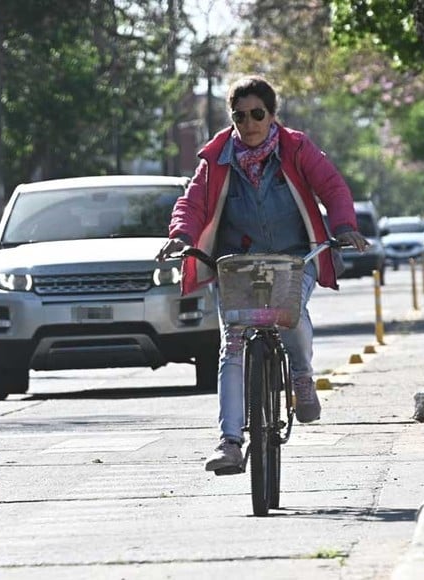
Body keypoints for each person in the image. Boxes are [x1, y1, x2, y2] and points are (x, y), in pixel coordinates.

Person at [155, 76, 367, 473]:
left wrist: (343, 227)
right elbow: (192, 203)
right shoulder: (217, 157)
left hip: (294, 259)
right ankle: (230, 441)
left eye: (257, 114)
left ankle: (302, 376)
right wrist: (180, 236)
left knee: (291, 316)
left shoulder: (297, 148)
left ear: (272, 116)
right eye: (240, 116)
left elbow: (333, 187)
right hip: (237, 264)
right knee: (231, 345)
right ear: (231, 119)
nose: (249, 123)